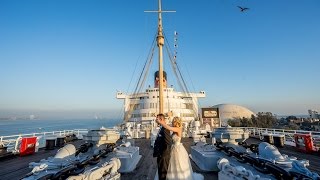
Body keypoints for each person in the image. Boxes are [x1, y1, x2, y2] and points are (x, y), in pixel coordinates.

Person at [153, 113, 172, 180]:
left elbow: (168, 143)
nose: (155, 120)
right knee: (160, 173)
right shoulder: (162, 128)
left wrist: (163, 154)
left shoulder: (165, 129)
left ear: (161, 119)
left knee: (163, 174)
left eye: (157, 119)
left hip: (163, 156)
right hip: (160, 155)